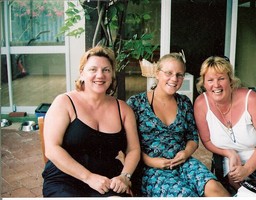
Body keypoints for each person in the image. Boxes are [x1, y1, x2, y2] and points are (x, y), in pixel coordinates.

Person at [127, 53, 230, 197]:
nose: (174, 79)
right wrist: (151, 161)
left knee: (215, 188)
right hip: (151, 169)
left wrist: (185, 153)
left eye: (179, 75)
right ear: (157, 74)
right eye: (169, 73)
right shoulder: (136, 103)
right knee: (186, 195)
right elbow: (127, 145)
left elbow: (193, 138)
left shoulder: (184, 103)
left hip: (183, 162)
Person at [42, 45, 140, 197]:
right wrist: (88, 177)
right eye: (93, 69)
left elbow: (133, 149)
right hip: (65, 178)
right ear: (82, 73)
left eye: (106, 70)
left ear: (112, 74)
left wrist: (125, 177)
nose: (100, 75)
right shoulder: (64, 102)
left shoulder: (123, 109)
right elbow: (52, 149)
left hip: (108, 179)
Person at [193, 56, 256, 189]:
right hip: (235, 162)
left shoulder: (251, 99)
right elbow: (207, 141)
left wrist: (248, 168)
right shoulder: (201, 104)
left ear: (230, 80)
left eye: (221, 78)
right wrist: (229, 153)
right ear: (204, 84)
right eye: (210, 80)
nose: (216, 85)